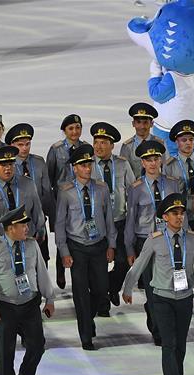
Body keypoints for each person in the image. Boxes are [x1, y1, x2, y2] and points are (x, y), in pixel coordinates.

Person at [122, 196, 194, 375]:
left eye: (182, 213)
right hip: (161, 298)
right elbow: (139, 265)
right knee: (169, 343)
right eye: (174, 213)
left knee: (180, 342)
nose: (179, 217)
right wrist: (127, 287)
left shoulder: (193, 238)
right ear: (165, 217)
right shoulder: (154, 240)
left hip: (185, 297)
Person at [0, 206, 54, 375]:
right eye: (23, 225)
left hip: (30, 303)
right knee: (5, 353)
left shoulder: (31, 246)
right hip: (5, 307)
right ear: (10, 228)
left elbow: (42, 272)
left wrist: (50, 298)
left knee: (37, 345)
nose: (27, 228)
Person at [55, 144, 116, 351]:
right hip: (77, 247)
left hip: (99, 245)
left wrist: (111, 245)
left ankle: (87, 318)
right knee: (81, 293)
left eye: (89, 163)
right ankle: (85, 335)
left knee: (100, 290)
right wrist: (63, 251)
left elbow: (109, 218)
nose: (87, 168)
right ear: (74, 167)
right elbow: (60, 224)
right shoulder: (66, 192)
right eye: (82, 165)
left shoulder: (101, 188)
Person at [125, 140, 184, 346]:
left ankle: (170, 324)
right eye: (148, 160)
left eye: (156, 159)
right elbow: (131, 219)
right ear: (142, 163)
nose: (152, 163)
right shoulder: (136, 188)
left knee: (173, 285)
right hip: (146, 241)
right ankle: (158, 329)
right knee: (153, 288)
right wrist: (129, 247)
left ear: (161, 160)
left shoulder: (173, 183)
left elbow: (180, 214)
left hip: (170, 241)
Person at [163, 120, 194, 310]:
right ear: (177, 142)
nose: (187, 143)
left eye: (191, 139)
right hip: (180, 220)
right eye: (184, 140)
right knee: (183, 260)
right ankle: (182, 297)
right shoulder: (170, 166)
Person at [88, 121, 134, 313]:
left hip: (120, 221)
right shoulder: (87, 165)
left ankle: (112, 288)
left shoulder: (122, 164)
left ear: (112, 145)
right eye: (96, 142)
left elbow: (132, 190)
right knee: (98, 266)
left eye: (103, 142)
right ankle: (102, 303)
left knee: (123, 261)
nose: (99, 146)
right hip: (97, 224)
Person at [46, 114, 87, 288]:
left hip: (81, 200)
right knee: (61, 235)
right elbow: (49, 176)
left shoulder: (85, 147)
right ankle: (61, 269)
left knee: (78, 233)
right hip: (61, 201)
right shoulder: (56, 149)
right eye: (71, 128)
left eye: (77, 128)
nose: (75, 131)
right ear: (64, 131)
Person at [8, 123, 52, 278]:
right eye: (20, 145)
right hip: (16, 224)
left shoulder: (39, 162)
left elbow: (46, 193)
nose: (25, 148)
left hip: (37, 221)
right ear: (12, 145)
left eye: (27, 144)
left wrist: (45, 223)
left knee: (41, 262)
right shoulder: (8, 166)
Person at [0, 145, 45, 243]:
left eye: (11, 164)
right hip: (0, 241)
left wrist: (41, 231)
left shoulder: (28, 183)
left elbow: (37, 211)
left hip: (27, 239)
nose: (8, 168)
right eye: (3, 165)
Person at [119, 103, 161, 178]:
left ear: (151, 124)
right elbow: (123, 172)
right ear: (133, 124)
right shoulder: (127, 146)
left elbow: (166, 169)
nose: (142, 126)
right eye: (138, 122)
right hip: (134, 187)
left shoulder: (160, 144)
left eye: (145, 122)